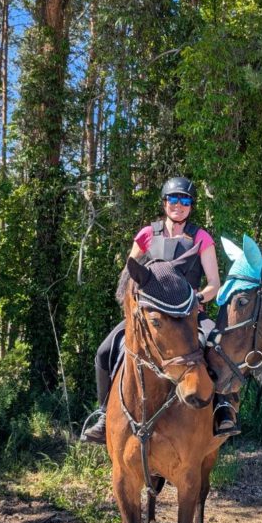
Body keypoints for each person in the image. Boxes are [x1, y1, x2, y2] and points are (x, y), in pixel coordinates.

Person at [81, 176, 239, 443]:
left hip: (188, 313)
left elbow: (214, 283)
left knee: (218, 345)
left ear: (191, 205)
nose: (178, 205)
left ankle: (223, 407)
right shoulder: (146, 234)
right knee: (105, 351)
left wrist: (197, 298)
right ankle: (105, 413)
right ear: (164, 203)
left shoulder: (201, 237)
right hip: (150, 316)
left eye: (185, 200)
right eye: (173, 199)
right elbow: (128, 276)